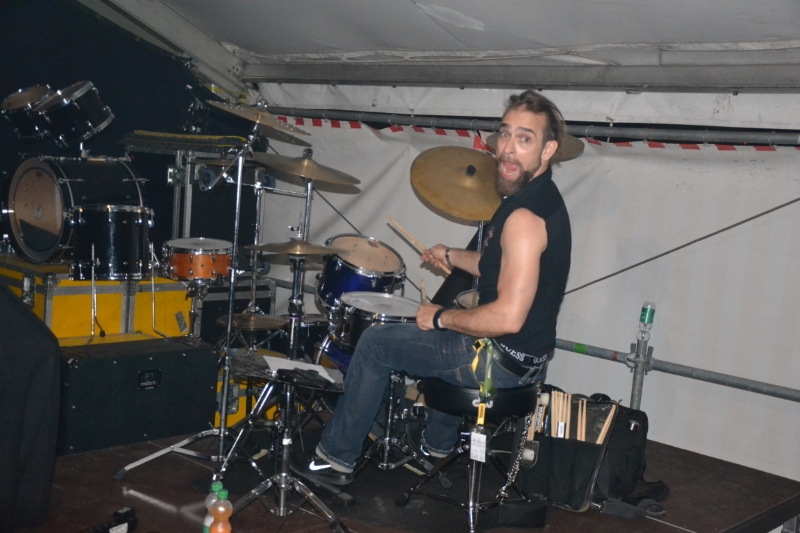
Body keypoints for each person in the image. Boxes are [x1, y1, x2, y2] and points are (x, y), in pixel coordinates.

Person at [306, 90, 572, 485]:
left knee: (376, 344)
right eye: (505, 134)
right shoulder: (542, 199)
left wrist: (441, 318)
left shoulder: (524, 219)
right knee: (451, 335)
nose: (508, 149)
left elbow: (507, 318)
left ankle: (335, 459)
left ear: (547, 150)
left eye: (525, 138)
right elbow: (497, 266)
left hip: (499, 361)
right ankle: (436, 448)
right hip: (528, 360)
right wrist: (449, 255)